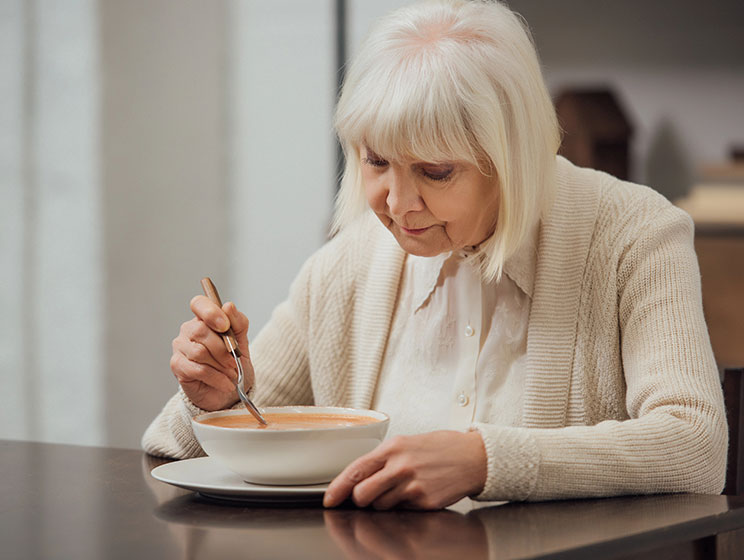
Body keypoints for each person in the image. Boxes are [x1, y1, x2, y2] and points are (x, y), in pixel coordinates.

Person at [142, 0, 726, 509]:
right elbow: (174, 451)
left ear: (511, 157)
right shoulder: (350, 264)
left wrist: (485, 459)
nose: (397, 204)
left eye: (435, 171)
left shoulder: (634, 234)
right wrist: (215, 402)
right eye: (376, 162)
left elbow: (695, 447)